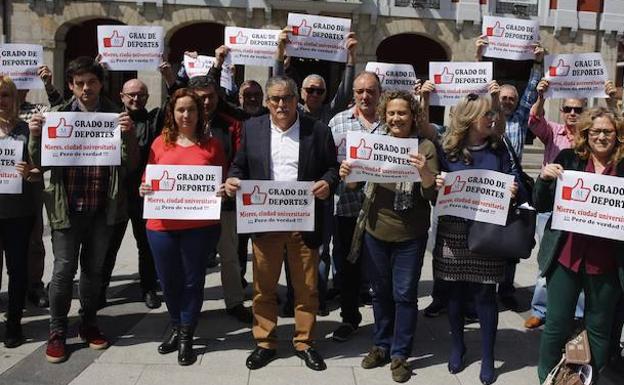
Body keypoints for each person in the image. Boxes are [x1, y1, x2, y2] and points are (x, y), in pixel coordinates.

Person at [28, 56, 138, 363]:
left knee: (93, 272)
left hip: (103, 208)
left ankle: (88, 322)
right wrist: (36, 135)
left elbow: (129, 164)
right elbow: (39, 163)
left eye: (91, 82)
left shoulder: (116, 115)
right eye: (79, 83)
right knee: (63, 271)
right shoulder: (58, 115)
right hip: (68, 208)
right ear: (71, 86)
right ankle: (57, 330)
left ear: (101, 83)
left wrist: (128, 134)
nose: (86, 88)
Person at [225, 75, 339, 371]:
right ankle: (265, 341)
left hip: (304, 222)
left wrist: (328, 182)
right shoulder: (253, 128)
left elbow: (332, 167)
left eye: (286, 98)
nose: (280, 104)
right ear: (267, 102)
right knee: (264, 288)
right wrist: (233, 179)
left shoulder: (318, 130)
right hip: (266, 222)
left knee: (307, 288)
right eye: (274, 99)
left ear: (295, 100)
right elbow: (239, 164)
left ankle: (304, 341)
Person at [339, 90, 438, 383]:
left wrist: (424, 173)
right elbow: (354, 186)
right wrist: (348, 172)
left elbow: (432, 194)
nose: (397, 118)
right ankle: (381, 345)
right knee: (379, 293)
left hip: (410, 236)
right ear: (385, 115)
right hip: (375, 231)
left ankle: (400, 353)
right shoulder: (374, 145)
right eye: (392, 113)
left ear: (413, 116)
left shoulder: (425, 147)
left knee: (405, 295)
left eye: (403, 113)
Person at [433, 91, 526, 385]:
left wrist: (515, 189)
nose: (494, 118)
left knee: (486, 294)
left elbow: (522, 183)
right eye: (488, 114)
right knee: (456, 292)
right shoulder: (447, 149)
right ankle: (458, 345)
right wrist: (435, 182)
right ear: (471, 118)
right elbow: (432, 190)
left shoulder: (501, 148)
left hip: (488, 233)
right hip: (454, 231)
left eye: (494, 114)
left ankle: (487, 355)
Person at [536, 107, 624, 383]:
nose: (600, 137)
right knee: (556, 325)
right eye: (595, 131)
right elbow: (541, 203)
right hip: (567, 257)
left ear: (618, 135)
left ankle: (588, 380)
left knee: (599, 329)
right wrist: (545, 179)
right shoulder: (569, 159)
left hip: (607, 262)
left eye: (607, 131)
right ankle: (546, 379)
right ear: (585, 134)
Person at [139, 88, 225, 366]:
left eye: (191, 110)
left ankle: (186, 334)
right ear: (171, 113)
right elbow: (147, 178)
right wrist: (144, 187)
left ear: (200, 114)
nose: (186, 115)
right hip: (161, 224)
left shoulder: (212, 145)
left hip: (200, 225)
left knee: (192, 280)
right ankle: (176, 325)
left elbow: (223, 179)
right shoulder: (158, 144)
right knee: (168, 280)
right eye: (180, 110)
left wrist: (224, 189)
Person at [522, 80, 617, 329]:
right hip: (558, 212)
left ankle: (577, 314)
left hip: (597, 220)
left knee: (587, 268)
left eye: (577, 110)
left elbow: (616, 128)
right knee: (551, 263)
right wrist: (541, 95)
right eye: (568, 109)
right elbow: (534, 120)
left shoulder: (610, 143)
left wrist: (611, 102)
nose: (572, 113)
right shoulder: (554, 132)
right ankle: (542, 309)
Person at [187, 74, 252, 323]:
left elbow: (239, 159)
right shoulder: (182, 122)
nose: (206, 103)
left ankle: (235, 302)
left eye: (211, 97)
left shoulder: (231, 124)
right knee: (192, 258)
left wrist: (231, 182)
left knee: (229, 255)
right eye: (201, 98)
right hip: (190, 206)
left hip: (224, 203)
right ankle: (189, 305)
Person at [100, 77, 166, 310]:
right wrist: (102, 71)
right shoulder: (110, 118)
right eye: (131, 95)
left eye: (141, 95)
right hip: (115, 193)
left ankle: (148, 289)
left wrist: (169, 78)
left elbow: (172, 104)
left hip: (144, 193)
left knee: (145, 245)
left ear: (147, 97)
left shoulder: (154, 120)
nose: (136, 99)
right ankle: (99, 292)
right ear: (122, 97)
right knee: (109, 245)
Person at [328, 71, 383, 342]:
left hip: (383, 211)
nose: (365, 96)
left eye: (371, 91)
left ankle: (385, 323)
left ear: (379, 93)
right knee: (347, 268)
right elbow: (327, 164)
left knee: (381, 270)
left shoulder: (391, 123)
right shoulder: (338, 123)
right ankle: (349, 318)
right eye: (360, 91)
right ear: (353, 94)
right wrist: (340, 174)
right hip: (347, 209)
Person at [0, 76, 38, 348]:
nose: (1, 101)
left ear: (14, 97)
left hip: (19, 213)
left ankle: (14, 323)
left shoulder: (27, 129)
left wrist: (31, 173)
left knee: (17, 270)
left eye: (5, 95)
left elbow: (40, 171)